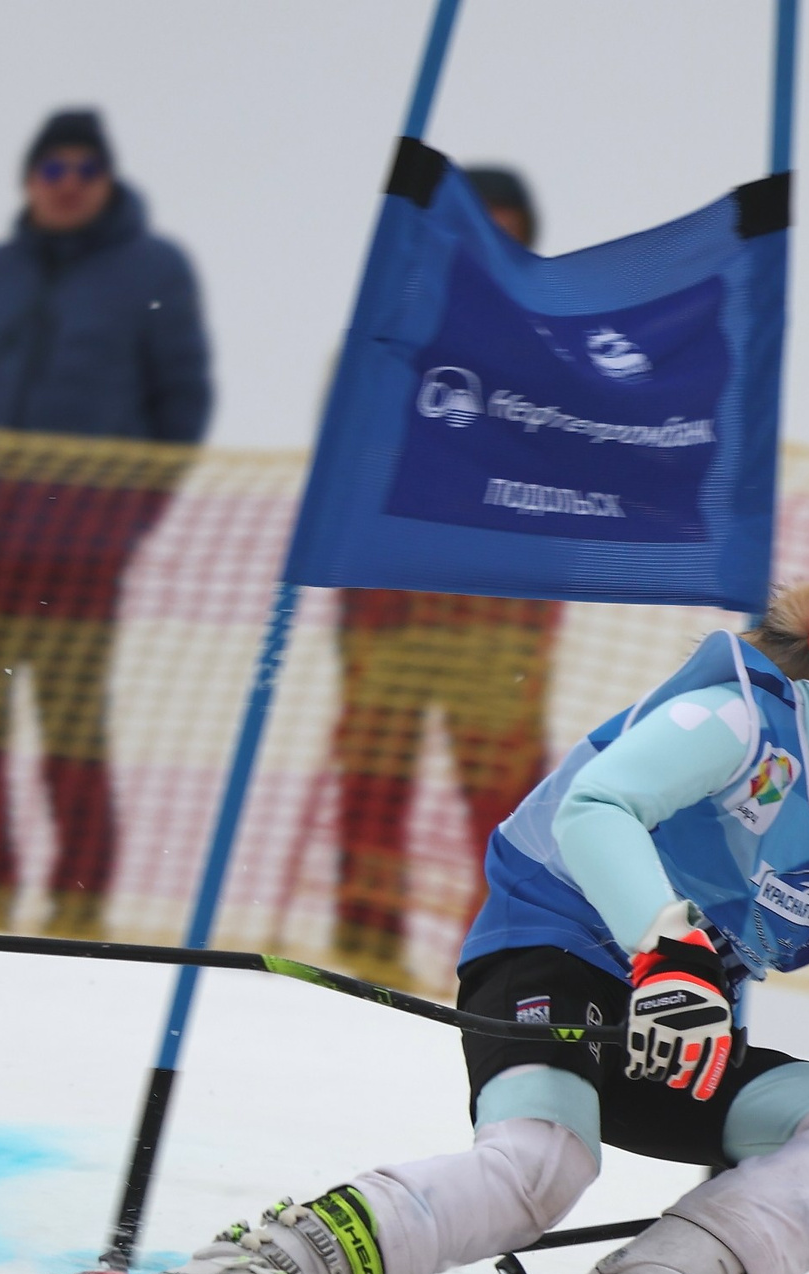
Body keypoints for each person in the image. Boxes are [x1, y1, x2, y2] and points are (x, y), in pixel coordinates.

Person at [136, 514, 809, 1274]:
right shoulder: (741, 721)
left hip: (677, 1039)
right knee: (542, 1169)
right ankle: (266, 1264)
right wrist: (667, 946)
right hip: (553, 965)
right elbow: (596, 808)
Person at [0, 109, 212, 937]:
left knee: (71, 732)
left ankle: (76, 904)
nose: (69, 183)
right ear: (29, 180)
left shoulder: (152, 269)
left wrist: (131, 511)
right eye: (53, 168)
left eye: (85, 169)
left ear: (108, 180)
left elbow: (179, 399)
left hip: (79, 553)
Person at [329, 166, 560, 988]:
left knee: (508, 808)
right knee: (372, 789)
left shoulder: (548, 345)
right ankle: (364, 950)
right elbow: (350, 468)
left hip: (497, 624)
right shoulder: (393, 334)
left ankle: (499, 959)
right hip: (392, 610)